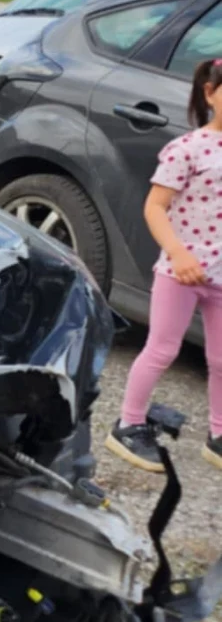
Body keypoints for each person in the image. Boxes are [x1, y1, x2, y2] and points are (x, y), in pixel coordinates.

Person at [108, 56, 222, 473]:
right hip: (181, 271)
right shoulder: (187, 149)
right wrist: (177, 252)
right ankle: (128, 424)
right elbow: (155, 207)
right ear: (210, 94)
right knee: (162, 349)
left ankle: (218, 435)